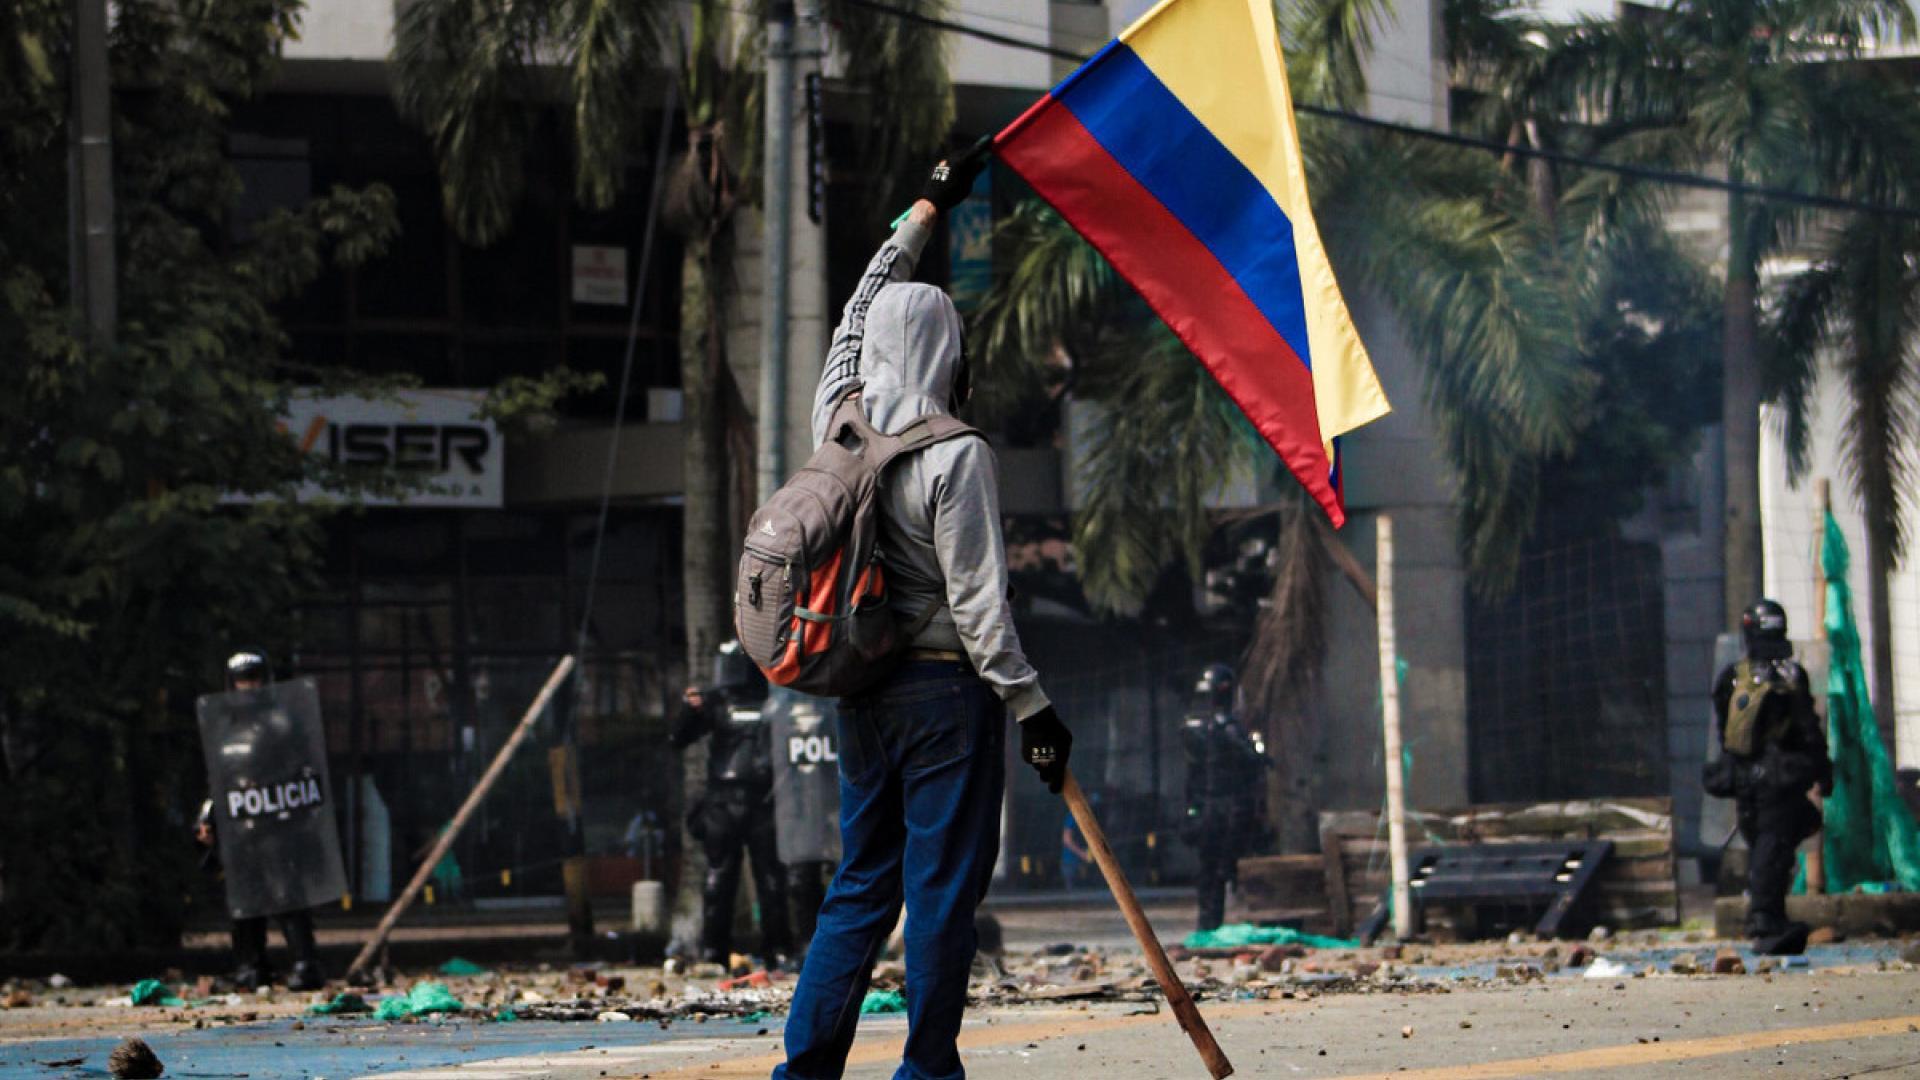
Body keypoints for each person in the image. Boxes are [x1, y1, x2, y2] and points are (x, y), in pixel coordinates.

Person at [774, 145, 1073, 1080]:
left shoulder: (836, 417)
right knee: (940, 890)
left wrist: (928, 207)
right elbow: (981, 610)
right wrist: (1034, 712)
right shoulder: (957, 453)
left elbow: (863, 303)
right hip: (947, 696)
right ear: (951, 352)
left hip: (862, 686)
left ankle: (806, 1071)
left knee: (861, 883)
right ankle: (928, 1071)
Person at [1705, 599, 1833, 956]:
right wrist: (1821, 771)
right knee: (1773, 849)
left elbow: (1724, 734)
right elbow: (1809, 731)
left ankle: (1770, 917)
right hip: (1780, 779)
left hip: (1744, 780)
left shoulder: (1732, 676)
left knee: (1768, 847)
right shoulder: (1790, 677)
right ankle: (1763, 919)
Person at [193, 650, 326, 991]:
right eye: (241, 680)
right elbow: (217, 779)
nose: (247, 687)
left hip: (276, 820)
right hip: (238, 823)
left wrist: (277, 789)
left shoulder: (283, 722)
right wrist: (207, 817)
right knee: (244, 896)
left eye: (253, 678)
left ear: (265, 680)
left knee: (285, 891)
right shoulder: (223, 727)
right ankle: (251, 966)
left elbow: (304, 771)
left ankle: (305, 963)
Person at [676, 640, 794, 968]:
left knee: (767, 879)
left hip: (761, 800)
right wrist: (690, 710)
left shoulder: (773, 701)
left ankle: (773, 949)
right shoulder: (721, 702)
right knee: (725, 878)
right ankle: (718, 950)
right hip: (729, 801)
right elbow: (679, 737)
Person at [1180, 663, 1268, 932]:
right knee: (1222, 870)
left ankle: (1209, 923)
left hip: (1209, 808)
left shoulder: (1194, 728)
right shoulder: (1224, 729)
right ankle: (1213, 924)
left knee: (1212, 871)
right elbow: (1253, 760)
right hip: (1227, 809)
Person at [767, 686, 841, 958]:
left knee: (845, 877)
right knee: (800, 880)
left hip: (830, 811)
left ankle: (834, 943)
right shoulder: (778, 718)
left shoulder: (831, 716)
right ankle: (809, 945)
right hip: (796, 813)